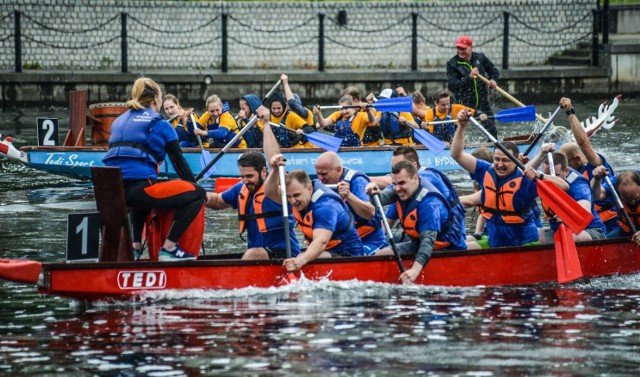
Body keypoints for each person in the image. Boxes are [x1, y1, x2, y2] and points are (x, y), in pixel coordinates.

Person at [103, 77, 206, 261]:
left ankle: (134, 249)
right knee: (196, 193)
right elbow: (179, 163)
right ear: (156, 100)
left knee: (140, 187)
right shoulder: (161, 124)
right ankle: (169, 248)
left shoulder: (118, 121)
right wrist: (197, 190)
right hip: (139, 191)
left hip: (112, 193)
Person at [450, 108, 568, 248]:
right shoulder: (485, 170)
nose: (500, 164)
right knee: (460, 247)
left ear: (516, 161)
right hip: (494, 242)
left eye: (505, 160)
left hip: (524, 243)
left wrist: (541, 175)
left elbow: (564, 186)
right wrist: (462, 126)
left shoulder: (526, 179)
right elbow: (456, 154)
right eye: (497, 159)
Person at [366, 160, 467, 283]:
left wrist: (414, 271)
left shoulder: (429, 203)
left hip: (447, 248)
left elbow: (428, 242)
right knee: (382, 254)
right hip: (418, 243)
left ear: (415, 178)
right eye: (394, 184)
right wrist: (372, 193)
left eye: (402, 183)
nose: (397, 189)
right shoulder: (401, 189)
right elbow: (380, 199)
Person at [265, 162, 365, 272]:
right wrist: (274, 170)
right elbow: (270, 193)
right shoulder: (295, 198)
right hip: (322, 253)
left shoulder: (326, 206)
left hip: (349, 257)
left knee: (308, 256)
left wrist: (300, 261)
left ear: (309, 189)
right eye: (289, 197)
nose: (292, 201)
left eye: (296, 195)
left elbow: (321, 241)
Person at [204, 151, 300, 260]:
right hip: (258, 254)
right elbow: (216, 201)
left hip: (285, 254)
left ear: (264, 171)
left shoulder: (279, 190)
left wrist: (276, 169)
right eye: (242, 176)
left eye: (249, 176)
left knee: (252, 255)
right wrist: (200, 195)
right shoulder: (242, 188)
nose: (245, 181)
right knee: (252, 254)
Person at [369, 145, 471, 248]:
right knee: (383, 242)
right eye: (393, 167)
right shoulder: (402, 191)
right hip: (422, 236)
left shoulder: (429, 176)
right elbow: (387, 223)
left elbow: (389, 183)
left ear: (414, 166)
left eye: (400, 166)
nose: (396, 171)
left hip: (449, 239)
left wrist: (363, 179)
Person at [558, 97, 620, 235]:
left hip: (610, 226)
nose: (561, 167)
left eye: (564, 162)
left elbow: (583, 143)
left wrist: (570, 112)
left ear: (577, 158)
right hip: (583, 225)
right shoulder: (566, 175)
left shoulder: (595, 164)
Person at [526, 146, 606, 243]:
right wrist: (540, 155)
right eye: (547, 174)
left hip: (589, 230)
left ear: (567, 171)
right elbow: (522, 174)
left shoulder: (578, 183)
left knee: (573, 238)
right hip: (558, 230)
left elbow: (584, 210)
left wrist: (567, 215)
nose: (552, 180)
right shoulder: (542, 178)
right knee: (528, 234)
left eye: (556, 175)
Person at [314, 151, 388, 255]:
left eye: (324, 174)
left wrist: (349, 196)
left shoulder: (357, 181)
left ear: (338, 170)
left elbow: (370, 213)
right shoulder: (319, 185)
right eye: (318, 174)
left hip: (370, 241)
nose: (320, 179)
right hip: (342, 243)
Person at [446, 35, 499, 139]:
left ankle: (493, 148)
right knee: (457, 133)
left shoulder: (480, 58)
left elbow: (494, 71)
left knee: (492, 131)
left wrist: (494, 80)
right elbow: (452, 85)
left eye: (463, 48)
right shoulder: (452, 64)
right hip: (463, 105)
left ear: (471, 47)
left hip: (483, 103)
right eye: (459, 48)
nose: (460, 51)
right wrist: (469, 77)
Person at [592, 169, 640, 242]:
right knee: (605, 243)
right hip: (626, 231)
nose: (632, 203)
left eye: (636, 198)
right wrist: (597, 180)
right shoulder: (613, 184)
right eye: (627, 200)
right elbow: (597, 196)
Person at [314, 95, 380, 147]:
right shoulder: (337, 115)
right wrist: (319, 114)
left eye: (346, 108)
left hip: (356, 149)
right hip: (338, 148)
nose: (344, 111)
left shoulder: (361, 116)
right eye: (341, 109)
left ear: (353, 106)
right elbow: (323, 124)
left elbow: (372, 120)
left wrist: (368, 111)